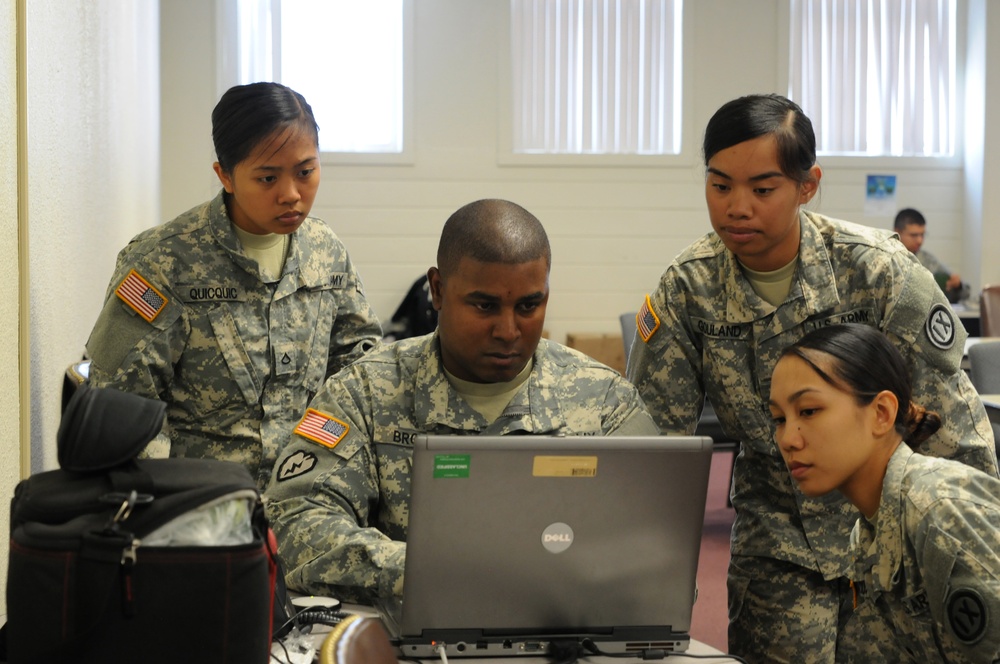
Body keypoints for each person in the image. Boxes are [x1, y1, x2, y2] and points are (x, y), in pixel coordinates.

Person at [626, 93, 998, 663]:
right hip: (778, 550)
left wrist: (957, 547)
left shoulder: (881, 272)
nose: (737, 207)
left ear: (808, 184)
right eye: (719, 185)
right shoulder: (688, 290)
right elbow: (654, 462)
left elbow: (958, 443)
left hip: (893, 543)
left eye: (763, 188)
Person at [265, 198, 661, 603]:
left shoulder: (603, 400)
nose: (508, 331)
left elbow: (661, 540)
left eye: (529, 306)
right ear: (437, 289)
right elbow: (295, 522)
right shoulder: (365, 392)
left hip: (566, 634)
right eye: (485, 305)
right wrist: (427, 571)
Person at [85, 82, 382, 491]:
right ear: (225, 175)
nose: (291, 195)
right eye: (267, 178)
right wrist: (170, 503)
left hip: (309, 495)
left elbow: (357, 365)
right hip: (203, 503)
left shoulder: (324, 250)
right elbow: (121, 404)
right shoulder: (164, 262)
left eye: (305, 172)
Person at [770, 323, 1000, 663]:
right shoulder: (866, 534)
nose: (788, 439)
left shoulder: (939, 511)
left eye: (808, 411)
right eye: (778, 419)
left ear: (881, 413)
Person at [893, 207, 965, 299]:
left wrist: (957, 286)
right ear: (897, 231)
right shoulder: (884, 257)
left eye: (922, 235)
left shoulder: (927, 261)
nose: (920, 240)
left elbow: (964, 293)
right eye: (914, 235)